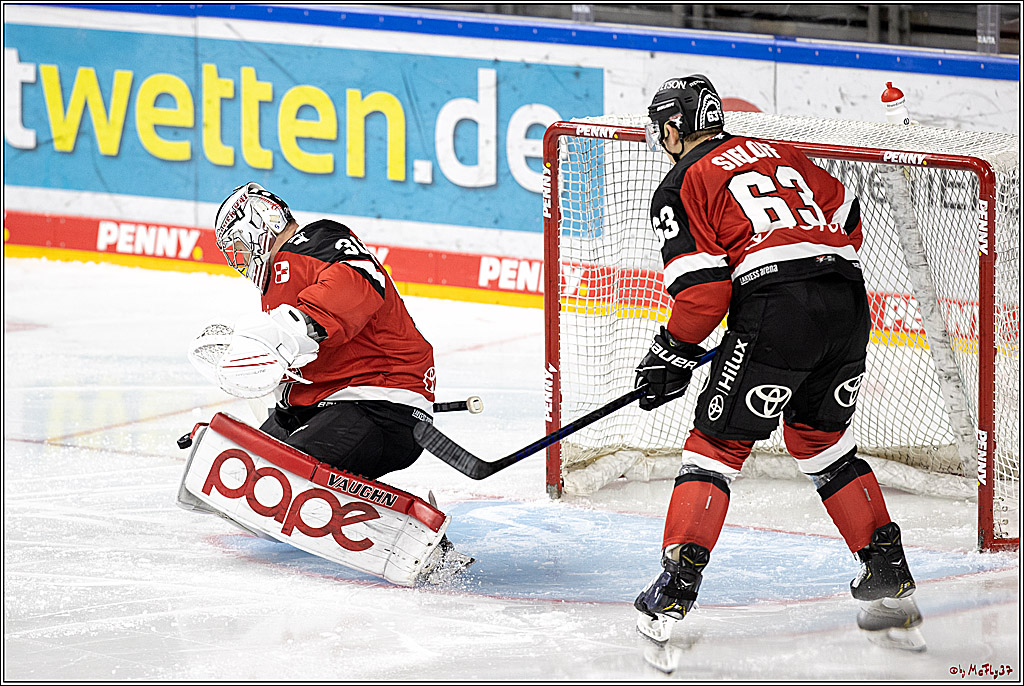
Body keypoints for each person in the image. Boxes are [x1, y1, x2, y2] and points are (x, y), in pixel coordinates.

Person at [632, 75, 922, 648]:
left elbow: (703, 295)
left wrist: (672, 351)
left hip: (776, 312)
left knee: (717, 445)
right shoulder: (781, 153)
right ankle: (887, 573)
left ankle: (673, 592)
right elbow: (847, 216)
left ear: (672, 128)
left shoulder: (681, 183)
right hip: (846, 303)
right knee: (820, 441)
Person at [194, 181, 471, 581]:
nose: (239, 258)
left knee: (286, 477)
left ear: (260, 224)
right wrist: (277, 398)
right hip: (338, 403)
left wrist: (294, 327)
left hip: (381, 402)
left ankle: (422, 537)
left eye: (238, 244)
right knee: (254, 470)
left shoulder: (318, 239)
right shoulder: (277, 283)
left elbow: (358, 282)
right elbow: (313, 365)